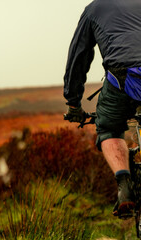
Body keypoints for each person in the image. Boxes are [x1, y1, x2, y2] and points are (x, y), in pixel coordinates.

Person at [63, 0, 141, 219]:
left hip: (123, 78)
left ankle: (124, 185)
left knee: (108, 128)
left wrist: (73, 102)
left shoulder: (95, 9)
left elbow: (79, 57)